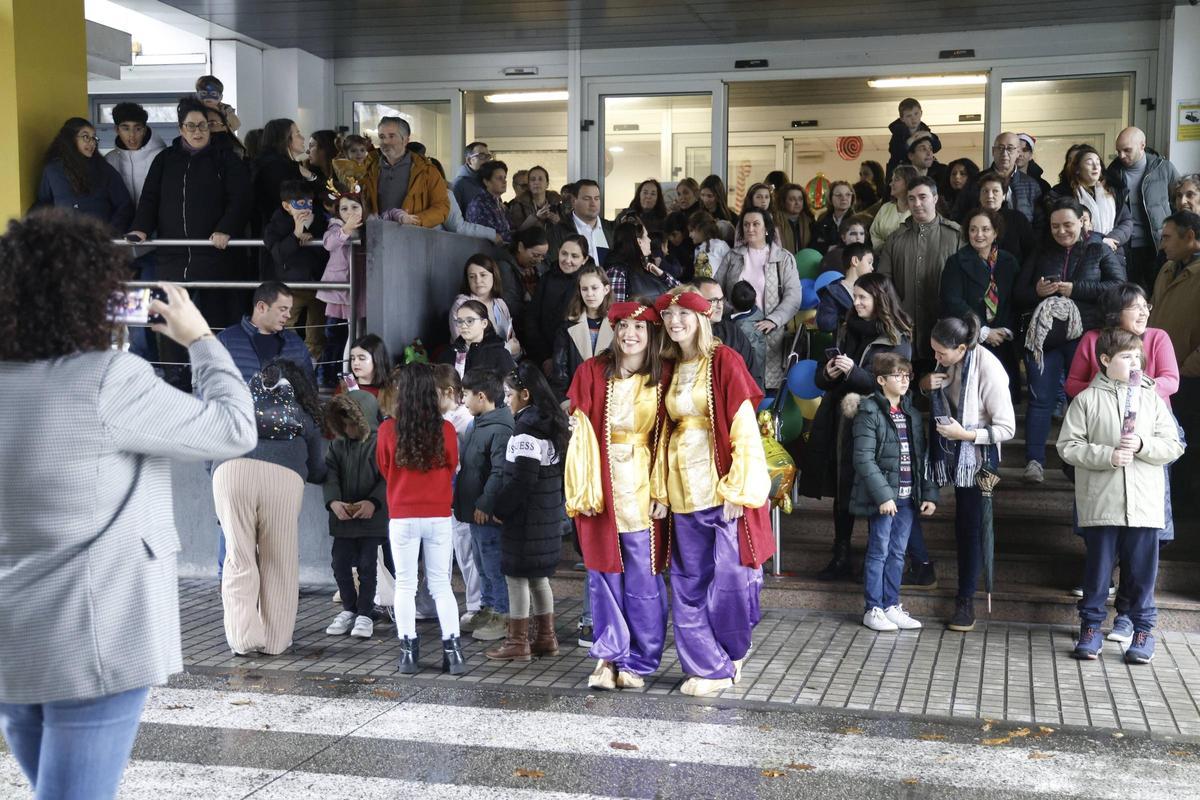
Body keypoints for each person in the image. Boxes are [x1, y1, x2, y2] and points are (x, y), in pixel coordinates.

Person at [0, 211, 255, 800]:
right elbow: (235, 428)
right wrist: (201, 339)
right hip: (94, 631)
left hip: (13, 634)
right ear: (95, 297)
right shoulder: (108, 378)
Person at [650, 287, 772, 697]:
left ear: (703, 318)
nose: (675, 322)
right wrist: (660, 490)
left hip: (721, 490)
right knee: (688, 583)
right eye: (668, 316)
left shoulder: (724, 360)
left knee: (733, 578)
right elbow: (663, 433)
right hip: (682, 491)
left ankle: (733, 650)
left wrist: (739, 489)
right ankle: (708, 667)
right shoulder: (669, 365)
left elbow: (744, 428)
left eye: (684, 314)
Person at [1057, 328, 1184, 663]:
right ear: (1105, 360)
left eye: (1137, 357)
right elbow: (1068, 447)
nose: (1135, 363)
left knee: (1142, 574)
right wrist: (1107, 456)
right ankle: (1090, 628)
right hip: (1102, 503)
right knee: (1098, 573)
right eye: (1126, 357)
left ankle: (1142, 631)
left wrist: (1142, 445)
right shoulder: (1086, 400)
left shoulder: (1151, 398)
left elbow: (1173, 445)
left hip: (1144, 504)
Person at [565, 300, 670, 690]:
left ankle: (639, 660)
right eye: (623, 326)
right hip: (601, 483)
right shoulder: (592, 371)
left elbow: (668, 438)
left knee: (643, 577)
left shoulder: (664, 374)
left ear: (651, 333)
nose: (630, 334)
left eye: (640, 327)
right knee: (603, 574)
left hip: (643, 483)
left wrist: (662, 491)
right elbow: (581, 434)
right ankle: (608, 656)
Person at [799, 272, 913, 581]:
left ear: (880, 299)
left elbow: (895, 385)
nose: (857, 302)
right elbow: (821, 377)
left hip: (877, 425)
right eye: (856, 296)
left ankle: (880, 562)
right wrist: (830, 372)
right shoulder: (847, 328)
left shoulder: (898, 337)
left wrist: (853, 373)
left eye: (863, 297)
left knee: (876, 489)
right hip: (841, 421)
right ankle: (841, 556)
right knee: (843, 487)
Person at [215, 357, 326, 655]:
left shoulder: (239, 403)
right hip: (283, 478)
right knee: (279, 562)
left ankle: (242, 639)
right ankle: (275, 642)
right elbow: (317, 468)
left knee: (239, 558)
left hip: (230, 473)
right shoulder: (302, 412)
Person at [1014, 198, 1124, 484]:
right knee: (1040, 400)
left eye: (1068, 225)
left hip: (1085, 336)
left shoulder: (1099, 249)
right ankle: (1034, 462)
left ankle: (1077, 464)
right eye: (1055, 226)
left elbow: (1118, 287)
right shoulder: (1041, 250)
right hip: (1045, 339)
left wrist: (1076, 289)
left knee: (1083, 400)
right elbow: (1019, 293)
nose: (1061, 231)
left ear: (1082, 222)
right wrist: (1038, 291)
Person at [922, 314, 1016, 633]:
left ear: (962, 348)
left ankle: (966, 600)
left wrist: (965, 435)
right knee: (961, 523)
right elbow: (935, 391)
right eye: (933, 351)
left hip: (978, 455)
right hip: (951, 446)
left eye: (941, 352)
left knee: (970, 526)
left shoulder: (989, 368)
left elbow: (1007, 428)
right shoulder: (946, 361)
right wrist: (926, 384)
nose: (936, 357)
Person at [128, 96, 253, 331]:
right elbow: (150, 198)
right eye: (191, 126)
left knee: (215, 322)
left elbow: (240, 199)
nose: (198, 132)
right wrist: (141, 227)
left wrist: (226, 228)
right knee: (169, 323)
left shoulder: (225, 158)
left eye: (203, 125)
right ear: (181, 129)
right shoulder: (165, 159)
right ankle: (174, 357)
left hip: (214, 255)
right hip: (172, 256)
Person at [376, 363, 466, 675]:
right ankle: (453, 653)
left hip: (402, 515)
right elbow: (452, 465)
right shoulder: (447, 430)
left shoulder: (387, 430)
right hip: (439, 515)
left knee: (405, 585)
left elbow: (384, 467)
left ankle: (408, 655)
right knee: (441, 585)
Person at [485, 363, 570, 662]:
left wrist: (500, 508)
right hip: (546, 518)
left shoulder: (525, 431)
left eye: (509, 394)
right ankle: (546, 638)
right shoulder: (552, 425)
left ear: (525, 395)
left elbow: (522, 480)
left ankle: (517, 641)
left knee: (517, 578)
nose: (505, 400)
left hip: (524, 521)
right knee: (538, 579)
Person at [850, 351, 937, 631]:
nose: (904, 380)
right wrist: (884, 495)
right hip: (884, 498)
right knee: (879, 550)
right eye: (897, 376)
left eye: (907, 375)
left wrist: (929, 494)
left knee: (898, 552)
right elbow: (863, 458)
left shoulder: (911, 413)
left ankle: (891, 605)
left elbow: (921, 457)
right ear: (881, 380)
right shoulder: (869, 411)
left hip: (908, 496)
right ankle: (873, 608)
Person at [454, 368, 515, 642]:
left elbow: (499, 472)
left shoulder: (500, 429)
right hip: (474, 511)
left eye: (466, 394)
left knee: (493, 565)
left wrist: (485, 503)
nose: (462, 400)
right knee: (481, 563)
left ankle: (502, 615)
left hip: (486, 513)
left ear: (481, 396)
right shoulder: (476, 424)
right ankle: (487, 607)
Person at [876, 175, 962, 364]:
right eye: (911, 198)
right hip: (904, 331)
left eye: (923, 197)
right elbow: (883, 283)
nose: (916, 204)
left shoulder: (955, 235)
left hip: (945, 333)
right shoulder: (896, 238)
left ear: (935, 198)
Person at [323, 391, 387, 640]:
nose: (348, 429)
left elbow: (388, 477)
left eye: (353, 424)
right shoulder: (337, 444)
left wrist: (374, 502)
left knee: (368, 566)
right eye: (344, 424)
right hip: (344, 519)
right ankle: (350, 609)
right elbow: (330, 474)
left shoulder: (380, 443)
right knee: (339, 564)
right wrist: (333, 502)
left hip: (372, 519)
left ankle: (365, 612)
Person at [939, 208, 1022, 396]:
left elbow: (1015, 300)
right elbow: (952, 301)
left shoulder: (1009, 261)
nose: (979, 235)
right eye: (973, 229)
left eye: (985, 229)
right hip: (970, 339)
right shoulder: (956, 262)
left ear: (995, 232)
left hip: (1003, 340)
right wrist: (983, 331)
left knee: (1002, 395)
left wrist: (1006, 330)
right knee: (973, 395)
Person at [719, 208, 802, 390]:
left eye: (756, 224)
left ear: (766, 229)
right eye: (746, 225)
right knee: (737, 386)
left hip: (771, 332)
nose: (750, 229)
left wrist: (774, 319)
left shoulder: (783, 258)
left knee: (767, 388)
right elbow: (717, 290)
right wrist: (732, 312)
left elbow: (794, 296)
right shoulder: (732, 256)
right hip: (737, 330)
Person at [1149, 210, 1200, 510]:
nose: (1162, 244)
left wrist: (1186, 369)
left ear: (1190, 237)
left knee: (1188, 445)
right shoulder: (1167, 268)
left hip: (1190, 376)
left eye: (1168, 237)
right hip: (1163, 376)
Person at [434, 365, 484, 633]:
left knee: (468, 551)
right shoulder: (446, 419)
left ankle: (477, 605)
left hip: (464, 495)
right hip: (450, 496)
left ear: (448, 391)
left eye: (434, 393)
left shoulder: (465, 421)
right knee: (460, 551)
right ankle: (472, 604)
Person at [1107, 126, 1183, 291]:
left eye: (1127, 150)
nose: (1121, 155)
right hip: (1125, 246)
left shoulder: (1164, 168)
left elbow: (1180, 202)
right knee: (1129, 295)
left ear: (1142, 145)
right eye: (1118, 151)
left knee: (1160, 291)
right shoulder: (1112, 172)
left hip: (1157, 245)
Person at [262, 179, 329, 365]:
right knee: (285, 325)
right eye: (300, 204)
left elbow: (327, 249)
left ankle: (312, 362)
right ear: (286, 206)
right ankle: (289, 360)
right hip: (290, 286)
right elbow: (277, 254)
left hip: (317, 284)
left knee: (316, 329)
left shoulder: (320, 220)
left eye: (309, 203)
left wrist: (313, 237)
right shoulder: (276, 224)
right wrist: (295, 235)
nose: (306, 208)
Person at [36, 117, 133, 230]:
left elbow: (124, 206)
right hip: (65, 237)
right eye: (86, 137)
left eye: (94, 138)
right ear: (70, 139)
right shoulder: (53, 170)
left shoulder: (104, 169)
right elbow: (44, 205)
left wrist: (110, 232)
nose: (92, 143)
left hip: (99, 236)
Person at [215, 281, 316, 386]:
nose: (288, 315)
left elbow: (310, 390)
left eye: (289, 310)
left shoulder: (296, 344)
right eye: (283, 309)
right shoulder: (225, 341)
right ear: (261, 307)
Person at [316, 181, 366, 387]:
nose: (350, 212)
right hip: (339, 291)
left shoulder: (370, 224)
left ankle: (350, 376)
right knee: (334, 335)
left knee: (358, 334)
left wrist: (401, 216)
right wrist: (346, 229)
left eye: (355, 207)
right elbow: (329, 243)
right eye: (344, 209)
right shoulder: (336, 226)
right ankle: (326, 377)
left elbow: (388, 215)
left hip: (361, 287)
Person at [360, 116, 449, 226]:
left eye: (391, 136)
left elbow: (442, 207)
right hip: (377, 234)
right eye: (382, 137)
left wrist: (415, 221)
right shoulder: (368, 171)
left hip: (413, 235)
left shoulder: (426, 171)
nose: (385, 142)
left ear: (406, 140)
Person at [1047, 145, 1131, 256]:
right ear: (1077, 170)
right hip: (1081, 254)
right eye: (1089, 163)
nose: (1095, 167)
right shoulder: (1067, 195)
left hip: (1113, 250)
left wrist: (1111, 238)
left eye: (1098, 162)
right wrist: (1100, 240)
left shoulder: (1112, 191)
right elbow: (1066, 228)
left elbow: (1126, 221)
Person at [522, 233, 589, 365]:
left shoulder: (589, 284)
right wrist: (545, 357)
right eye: (564, 254)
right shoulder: (546, 279)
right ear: (558, 252)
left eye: (574, 256)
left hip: (576, 359)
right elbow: (532, 318)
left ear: (584, 259)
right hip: (542, 356)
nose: (567, 260)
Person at [954, 132, 1043, 226]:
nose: (1004, 153)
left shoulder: (1031, 185)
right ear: (993, 151)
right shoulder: (976, 181)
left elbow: (1040, 223)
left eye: (1010, 148)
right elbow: (959, 216)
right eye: (1000, 148)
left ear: (1018, 153)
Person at [551, 264, 614, 397]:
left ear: (606, 289)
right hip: (577, 398)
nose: (589, 294)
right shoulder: (567, 326)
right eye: (584, 289)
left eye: (594, 288)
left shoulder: (618, 325)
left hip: (610, 398)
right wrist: (565, 401)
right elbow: (560, 370)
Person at [253, 118, 320, 234]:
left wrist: (308, 174)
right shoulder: (276, 167)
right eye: (297, 134)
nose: (303, 138)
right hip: (284, 233)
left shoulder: (281, 164)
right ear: (285, 138)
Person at [449, 254, 521, 356]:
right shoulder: (461, 305)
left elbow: (512, 339)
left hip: (502, 361)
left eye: (483, 275)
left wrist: (514, 349)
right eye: (472, 276)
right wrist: (507, 349)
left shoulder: (500, 304)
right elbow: (466, 348)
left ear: (494, 276)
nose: (478, 281)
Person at [695, 278, 758, 382]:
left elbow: (752, 375)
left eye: (721, 300)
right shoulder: (682, 333)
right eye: (713, 301)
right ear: (694, 301)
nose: (720, 306)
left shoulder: (733, 331)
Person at [105, 103, 166, 209]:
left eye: (138, 129)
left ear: (144, 130)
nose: (132, 135)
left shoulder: (162, 157)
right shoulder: (109, 160)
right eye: (126, 128)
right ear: (117, 130)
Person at [604, 218, 679, 303]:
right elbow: (615, 308)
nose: (649, 240)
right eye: (646, 236)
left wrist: (662, 275)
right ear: (639, 241)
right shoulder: (617, 272)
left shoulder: (648, 268)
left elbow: (681, 293)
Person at [441, 299, 516, 377]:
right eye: (460, 321)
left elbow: (511, 383)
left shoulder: (500, 354)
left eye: (470, 321)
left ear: (484, 323)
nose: (463, 326)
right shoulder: (449, 354)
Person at [546, 179, 614, 265]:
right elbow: (553, 265)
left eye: (596, 198)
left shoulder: (611, 229)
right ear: (574, 201)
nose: (593, 203)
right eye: (587, 199)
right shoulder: (558, 232)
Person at [495, 225, 550, 326]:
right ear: (520, 247)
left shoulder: (540, 266)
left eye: (543, 256)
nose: (539, 260)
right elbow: (510, 305)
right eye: (535, 255)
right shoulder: (505, 268)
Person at [977, 171, 1035, 265]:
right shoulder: (973, 220)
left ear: (1004, 195)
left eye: (995, 191)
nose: (990, 196)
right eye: (985, 191)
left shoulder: (1018, 219)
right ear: (979, 196)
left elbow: (1031, 253)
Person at [816, 242, 874, 333]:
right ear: (855, 261)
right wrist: (849, 319)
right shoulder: (833, 292)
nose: (872, 268)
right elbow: (825, 323)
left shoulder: (872, 289)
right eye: (869, 262)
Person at [887, 98, 941, 178]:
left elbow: (937, 147)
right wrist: (909, 142)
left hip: (923, 172)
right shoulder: (898, 134)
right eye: (909, 116)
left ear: (921, 113)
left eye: (916, 114)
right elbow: (896, 154)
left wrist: (930, 136)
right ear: (902, 119)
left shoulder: (925, 131)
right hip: (902, 173)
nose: (914, 118)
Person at [465, 159, 514, 245]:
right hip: (486, 250)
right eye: (499, 178)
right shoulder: (479, 204)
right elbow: (488, 237)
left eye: (505, 177)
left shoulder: (500, 204)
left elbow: (510, 229)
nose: (504, 181)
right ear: (486, 182)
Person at [869, 165, 916, 249]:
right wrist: (884, 248)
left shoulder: (918, 210)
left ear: (909, 182)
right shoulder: (885, 208)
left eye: (896, 179)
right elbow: (874, 233)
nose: (891, 184)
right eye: (892, 180)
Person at [508, 165, 561, 230]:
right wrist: (535, 218)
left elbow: (568, 230)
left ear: (547, 184)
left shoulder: (557, 204)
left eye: (540, 179)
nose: (536, 182)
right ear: (529, 185)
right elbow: (516, 232)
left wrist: (559, 223)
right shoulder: (518, 206)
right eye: (533, 179)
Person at [812, 181, 856, 255]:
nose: (844, 198)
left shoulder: (858, 220)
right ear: (830, 198)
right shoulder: (822, 220)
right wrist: (828, 248)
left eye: (848, 194)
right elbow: (814, 245)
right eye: (839, 195)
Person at [688, 210, 732, 280]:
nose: (689, 235)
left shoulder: (720, 245)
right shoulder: (697, 250)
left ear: (701, 228)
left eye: (691, 231)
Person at [774, 182, 815, 252]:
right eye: (792, 199)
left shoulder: (810, 221)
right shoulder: (775, 220)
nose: (797, 203)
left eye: (800, 199)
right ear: (783, 201)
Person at [451, 141, 491, 212]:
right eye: (481, 156)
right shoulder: (458, 184)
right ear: (469, 160)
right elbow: (454, 216)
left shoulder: (488, 181)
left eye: (488, 156)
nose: (487, 160)